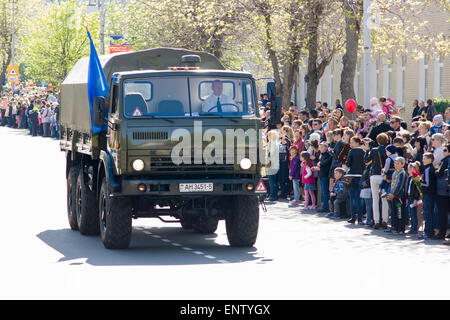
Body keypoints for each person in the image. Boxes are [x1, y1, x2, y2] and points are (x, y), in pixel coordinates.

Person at [367, 133, 389, 229]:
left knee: (375, 199)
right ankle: (385, 220)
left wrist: (368, 149)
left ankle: (376, 220)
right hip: (383, 175)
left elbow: (366, 161)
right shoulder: (387, 150)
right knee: (384, 199)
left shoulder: (374, 150)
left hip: (374, 175)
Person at [346, 136, 366, 224]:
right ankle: (360, 217)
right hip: (361, 175)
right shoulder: (363, 151)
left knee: (352, 197)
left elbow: (348, 163)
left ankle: (353, 217)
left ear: (357, 143)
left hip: (351, 175)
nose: (350, 144)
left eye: (352, 142)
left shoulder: (351, 151)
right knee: (360, 197)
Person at [387, 157, 408, 235]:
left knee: (400, 212)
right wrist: (390, 193)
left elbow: (400, 185)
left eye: (398, 163)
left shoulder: (402, 173)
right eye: (395, 163)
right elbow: (392, 184)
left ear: (403, 164)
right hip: (394, 196)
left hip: (399, 197)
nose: (396, 165)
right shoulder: (395, 172)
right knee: (394, 212)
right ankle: (395, 227)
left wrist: (394, 194)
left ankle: (401, 229)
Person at [419, 153, 436, 240]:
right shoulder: (430, 168)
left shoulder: (428, 169)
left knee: (427, 213)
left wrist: (419, 181)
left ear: (430, 159)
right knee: (429, 213)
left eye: (424, 158)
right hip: (430, 193)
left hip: (428, 193)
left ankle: (428, 232)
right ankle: (429, 232)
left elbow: (427, 183)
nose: (423, 160)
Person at [434, 143, 449, 240]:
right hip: (446, 190)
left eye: (445, 150)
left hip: (443, 190)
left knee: (443, 213)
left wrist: (435, 170)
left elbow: (439, 173)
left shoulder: (445, 161)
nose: (443, 152)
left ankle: (442, 233)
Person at [315, 141, 332, 212]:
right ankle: (323, 205)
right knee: (322, 191)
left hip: (325, 175)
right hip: (321, 174)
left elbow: (325, 164)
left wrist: (320, 164)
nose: (320, 148)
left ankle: (325, 207)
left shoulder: (328, 154)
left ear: (326, 147)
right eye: (320, 147)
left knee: (325, 192)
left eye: (322, 147)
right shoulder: (322, 154)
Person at [265, 130, 280, 201]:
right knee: (272, 180)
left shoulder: (273, 144)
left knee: (272, 181)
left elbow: (270, 153)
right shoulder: (272, 143)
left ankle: (273, 195)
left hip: (272, 164)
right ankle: (273, 194)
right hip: (273, 164)